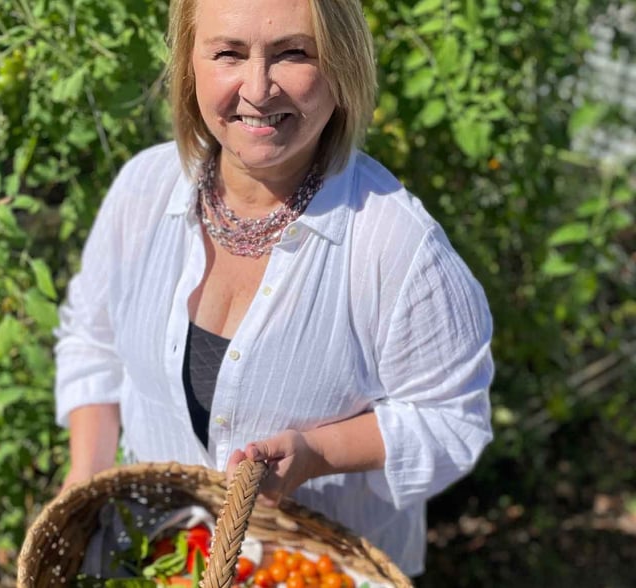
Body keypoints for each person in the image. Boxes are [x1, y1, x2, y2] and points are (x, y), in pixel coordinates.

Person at [53, 0, 494, 578]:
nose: (258, 89)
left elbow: (453, 417)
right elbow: (93, 341)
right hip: (154, 559)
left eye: (293, 53)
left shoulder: (395, 246)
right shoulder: (144, 190)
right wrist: (86, 479)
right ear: (191, 66)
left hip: (306, 571)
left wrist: (317, 455)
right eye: (228, 54)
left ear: (342, 66)